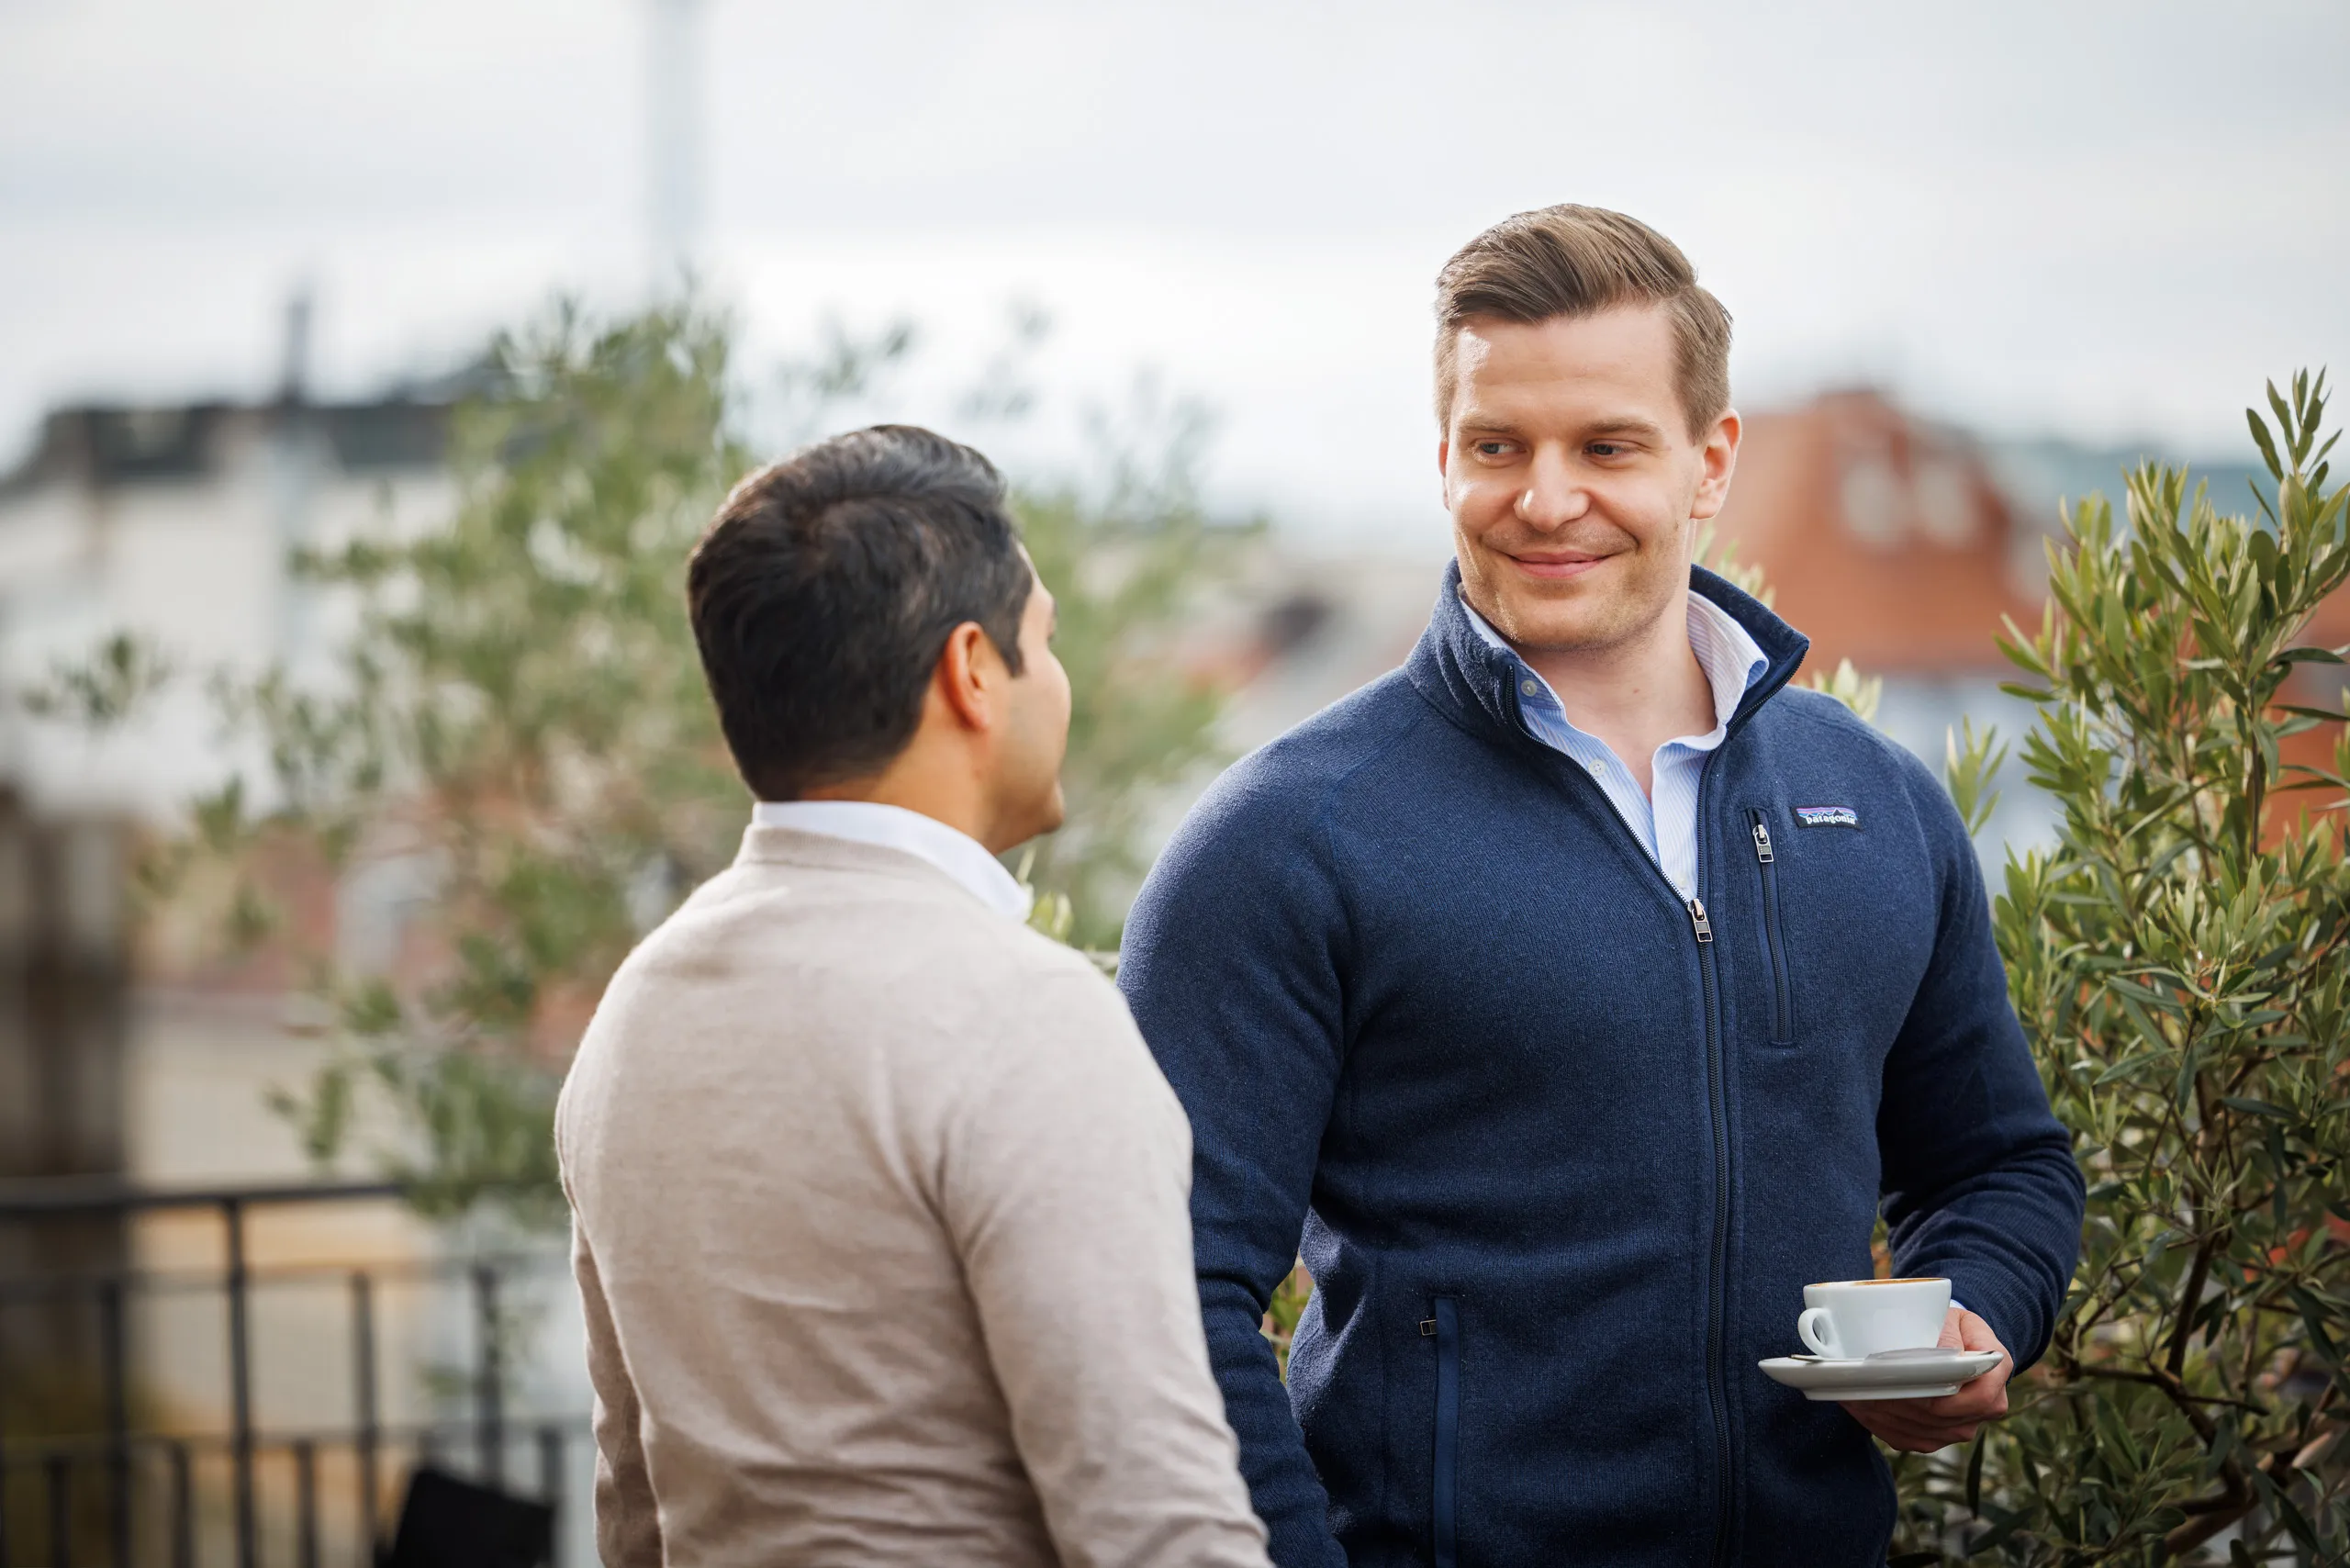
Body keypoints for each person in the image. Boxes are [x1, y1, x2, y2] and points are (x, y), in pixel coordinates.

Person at [1117, 207, 2086, 1566]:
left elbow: (1999, 1165)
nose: (1548, 498)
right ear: (1443, 457)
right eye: (1498, 446)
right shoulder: (1285, 843)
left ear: (1711, 462)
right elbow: (1168, 1303)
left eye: (1609, 447)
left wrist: (1981, 1311)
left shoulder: (1874, 804)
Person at [556, 425, 1271, 1568]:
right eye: (1045, 640)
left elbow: (632, 1501)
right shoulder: (1025, 1016)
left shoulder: (638, 1009)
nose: (1062, 679)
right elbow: (1159, 1526)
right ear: (972, 672)